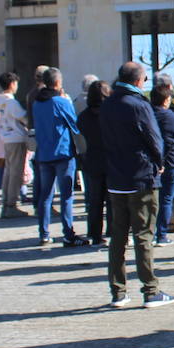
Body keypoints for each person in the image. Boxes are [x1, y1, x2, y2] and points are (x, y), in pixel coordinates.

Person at [101, 62, 174, 309]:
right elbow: (154, 139)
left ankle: (118, 292)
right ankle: (151, 290)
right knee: (143, 234)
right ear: (137, 81)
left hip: (115, 178)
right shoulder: (139, 105)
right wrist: (159, 162)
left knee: (118, 237)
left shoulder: (108, 103)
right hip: (141, 177)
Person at [31, 67, 87, 248]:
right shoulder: (60, 102)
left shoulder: (36, 103)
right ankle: (68, 233)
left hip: (44, 153)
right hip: (62, 152)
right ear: (58, 83)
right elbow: (75, 124)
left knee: (45, 196)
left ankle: (44, 233)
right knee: (66, 195)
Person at [151, 83, 174, 246]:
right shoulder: (173, 117)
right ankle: (162, 234)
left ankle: (150, 232)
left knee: (152, 200)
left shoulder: (148, 116)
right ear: (166, 100)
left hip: (151, 162)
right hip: (171, 161)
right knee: (167, 198)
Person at [77, 79, 111, 247]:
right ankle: (113, 230)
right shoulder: (111, 114)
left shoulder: (84, 116)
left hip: (93, 159)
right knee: (113, 199)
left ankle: (94, 233)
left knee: (95, 200)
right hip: (111, 160)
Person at [0, 72, 30, 218]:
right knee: (16, 173)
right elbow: (24, 118)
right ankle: (12, 204)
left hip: (6, 138)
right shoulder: (11, 102)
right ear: (12, 84)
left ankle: (6, 203)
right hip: (16, 138)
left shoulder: (0, 101)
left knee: (9, 172)